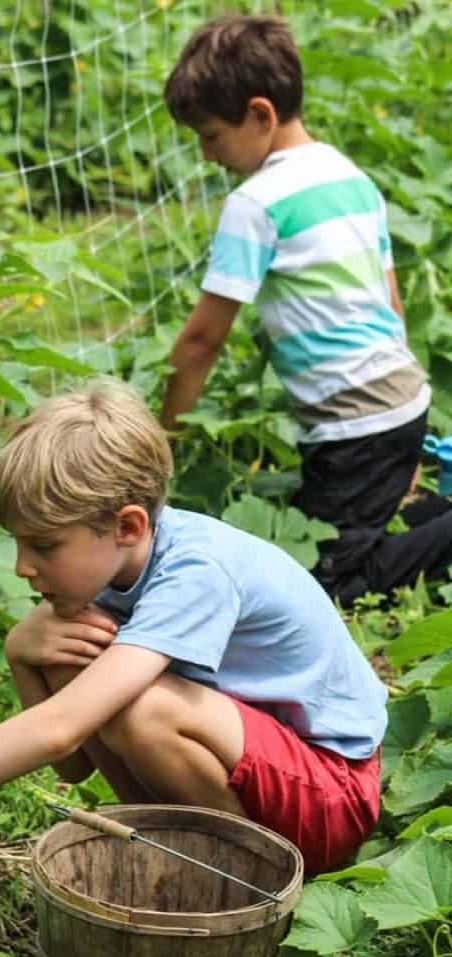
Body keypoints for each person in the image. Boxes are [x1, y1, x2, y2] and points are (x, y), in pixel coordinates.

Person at [0, 382, 386, 899]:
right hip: (262, 766)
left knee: (145, 711)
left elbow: (61, 727)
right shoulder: (110, 571)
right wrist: (21, 655)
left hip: (331, 793)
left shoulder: (197, 573)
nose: (22, 567)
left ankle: (248, 880)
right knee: (80, 658)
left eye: (44, 547)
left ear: (128, 525)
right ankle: (172, 846)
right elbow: (73, 764)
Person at [160, 13, 452, 603]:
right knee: (336, 534)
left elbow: (200, 342)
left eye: (212, 135)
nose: (207, 154)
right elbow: (391, 303)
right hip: (399, 402)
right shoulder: (350, 176)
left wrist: (162, 439)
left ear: (260, 114)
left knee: (329, 582)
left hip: (356, 427)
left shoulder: (256, 204)